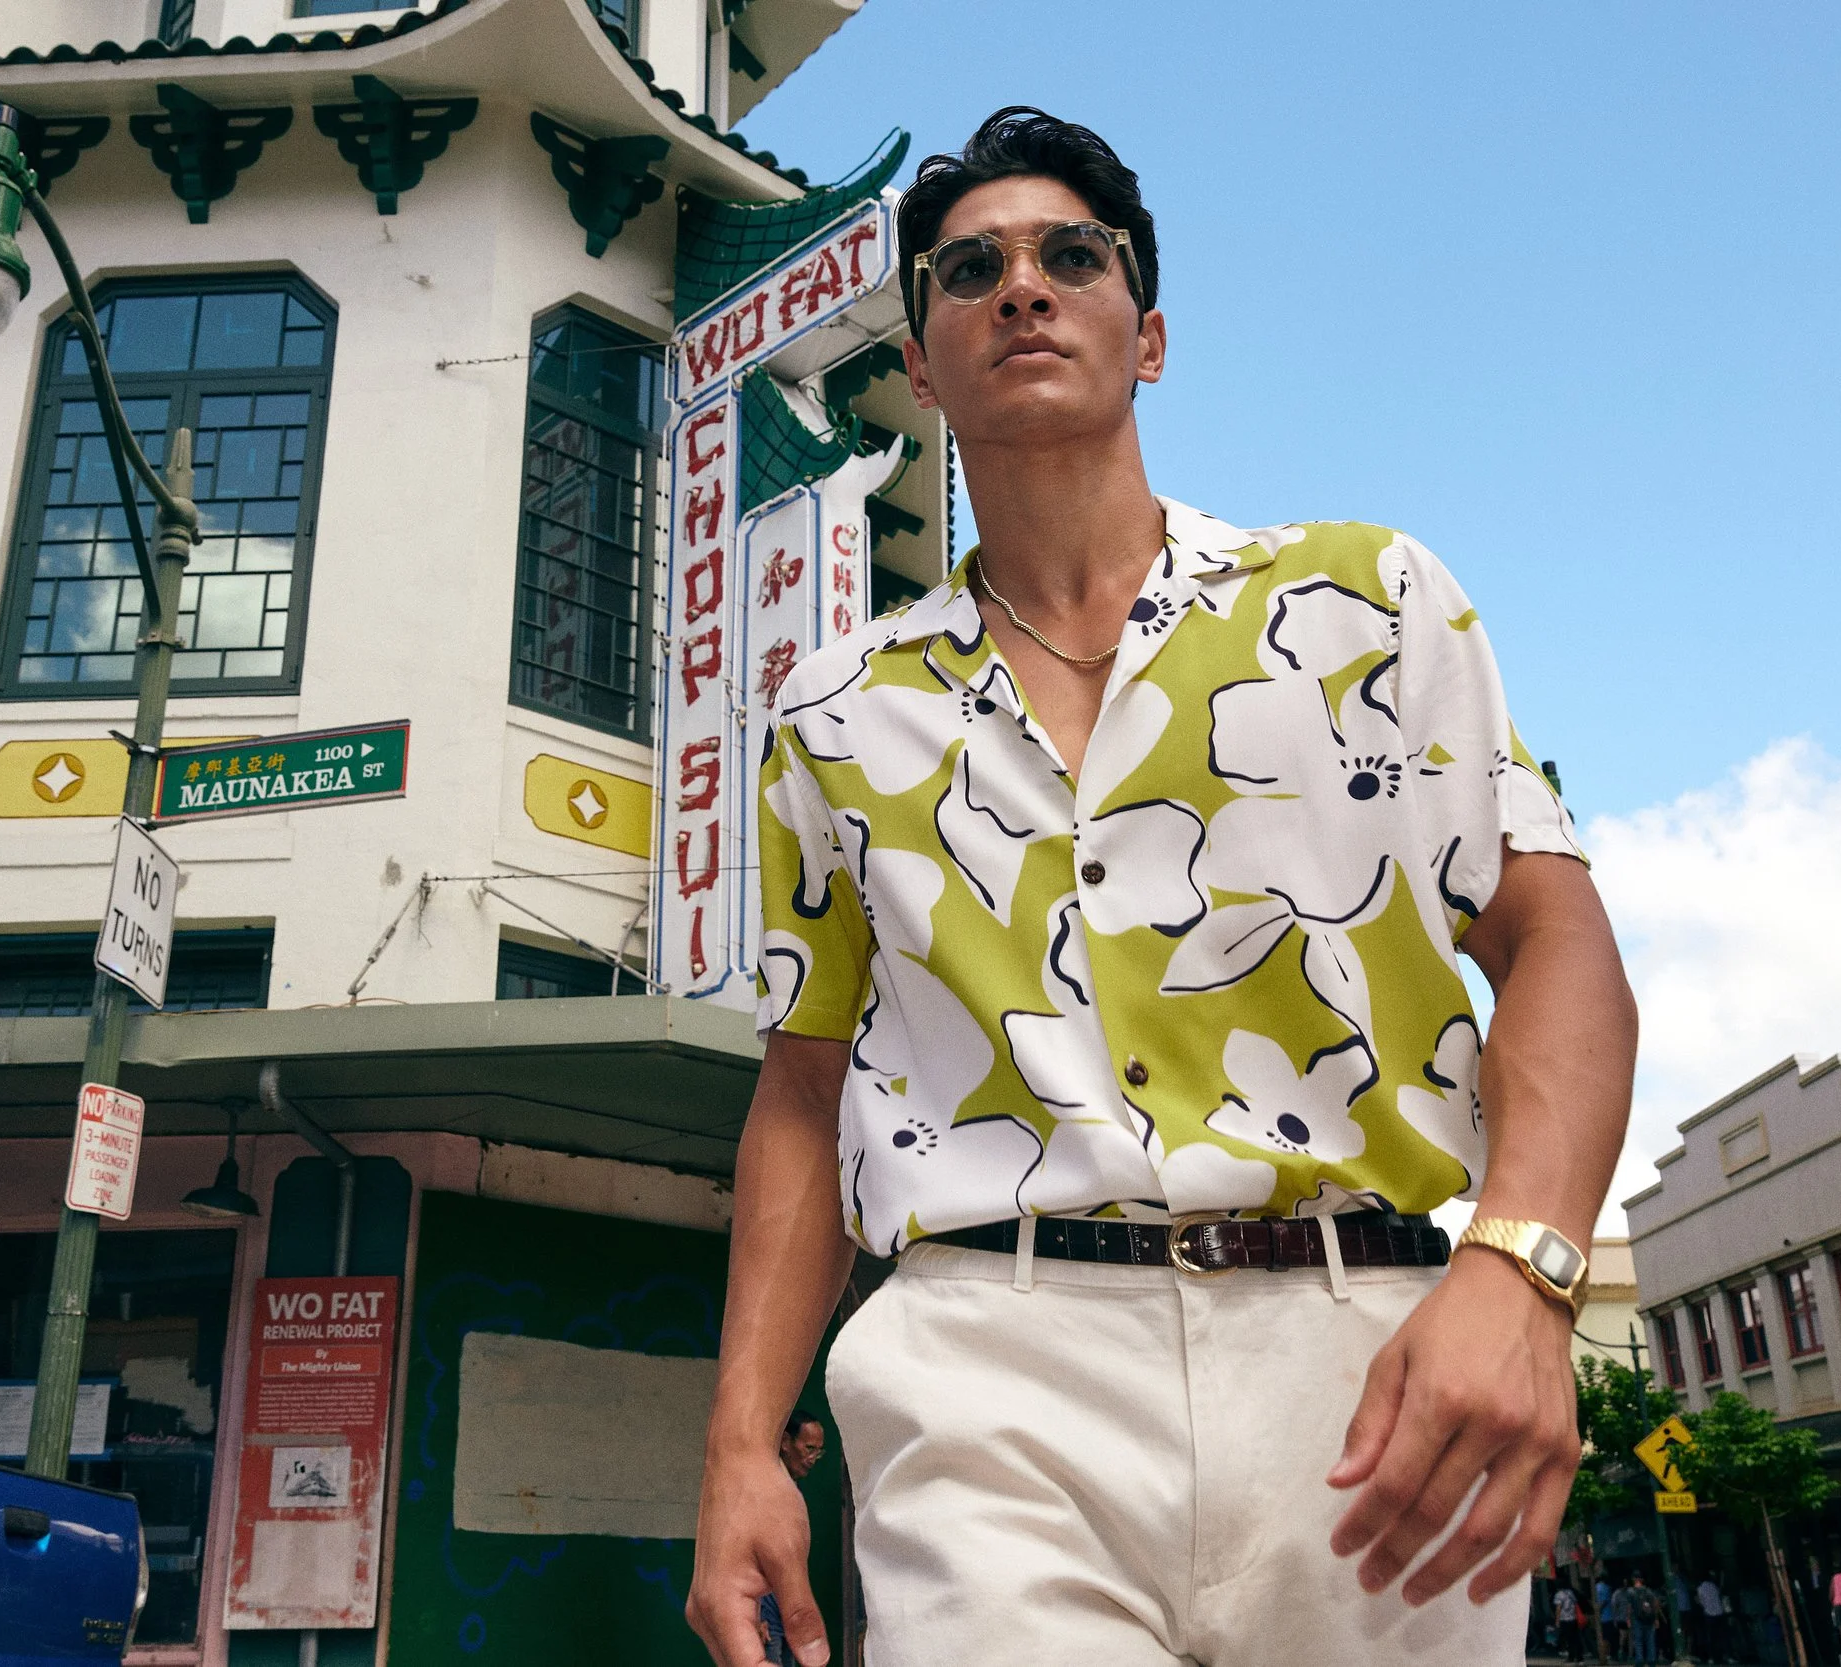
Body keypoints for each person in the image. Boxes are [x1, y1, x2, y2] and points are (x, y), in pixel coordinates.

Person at [683, 106, 1639, 1667]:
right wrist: (739, 1446)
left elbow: (1555, 937)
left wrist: (1525, 1270)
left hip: (1372, 1361)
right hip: (988, 1361)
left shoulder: (1367, 602)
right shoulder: (832, 709)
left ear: (1152, 335)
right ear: (919, 363)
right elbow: (803, 1084)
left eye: (1074, 256)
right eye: (969, 269)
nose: (1023, 286)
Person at [754, 1414, 828, 1667]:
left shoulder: (790, 1488)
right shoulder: (767, 1488)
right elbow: (756, 1553)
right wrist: (756, 1615)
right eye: (809, 1448)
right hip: (766, 1610)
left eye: (818, 1452)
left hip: (785, 1609)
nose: (813, 1459)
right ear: (786, 1442)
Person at [1626, 1573, 1665, 1665]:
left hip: (1637, 1619)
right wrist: (1656, 1619)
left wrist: (1628, 1618)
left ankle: (1639, 1660)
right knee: (1650, 1640)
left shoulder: (1630, 1591)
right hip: (1649, 1619)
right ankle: (1651, 1660)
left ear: (1633, 1579)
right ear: (1642, 1580)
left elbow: (1629, 1607)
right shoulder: (1649, 1591)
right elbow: (1655, 1605)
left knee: (1638, 1641)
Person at [1694, 1571, 1726, 1663]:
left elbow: (1699, 1601)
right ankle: (1722, 1655)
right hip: (1719, 1612)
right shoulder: (1714, 1586)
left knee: (1710, 1636)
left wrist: (1704, 1606)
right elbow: (1720, 1595)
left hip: (1708, 1613)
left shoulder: (1700, 1588)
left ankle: (1711, 1657)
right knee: (1720, 1635)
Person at [1555, 1581, 1587, 1662]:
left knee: (1568, 1639)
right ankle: (1579, 1656)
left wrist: (1557, 1620)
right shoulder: (1571, 1593)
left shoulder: (1559, 1595)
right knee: (1576, 1638)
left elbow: (1558, 1608)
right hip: (1573, 1618)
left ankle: (1571, 1657)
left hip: (1564, 1619)